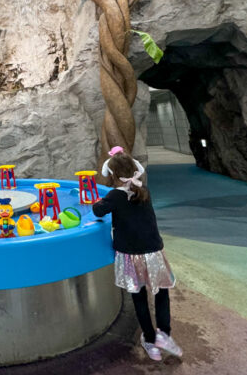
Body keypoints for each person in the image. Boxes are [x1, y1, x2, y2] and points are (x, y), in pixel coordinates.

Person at [92, 146, 182, 362]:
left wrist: (98, 202)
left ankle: (150, 341)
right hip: (153, 251)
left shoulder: (114, 196)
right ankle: (163, 335)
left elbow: (97, 210)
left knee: (139, 297)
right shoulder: (144, 192)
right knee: (161, 294)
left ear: (112, 175)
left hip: (130, 254)